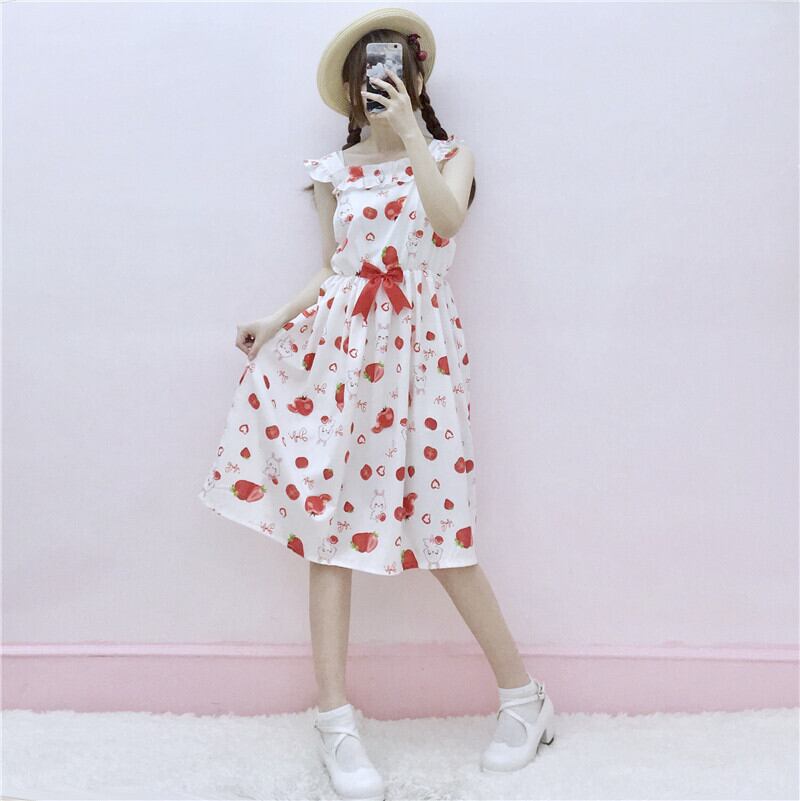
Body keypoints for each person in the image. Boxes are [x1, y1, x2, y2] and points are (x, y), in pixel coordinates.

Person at [197, 8, 555, 800]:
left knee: (445, 531)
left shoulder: (452, 155)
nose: (379, 84)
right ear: (352, 90)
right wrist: (274, 320)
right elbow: (337, 269)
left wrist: (415, 137)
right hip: (344, 357)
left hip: (423, 360)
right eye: (367, 75)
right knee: (329, 530)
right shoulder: (335, 172)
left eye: (392, 70)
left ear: (416, 79)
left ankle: (525, 700)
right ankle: (335, 720)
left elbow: (447, 221)